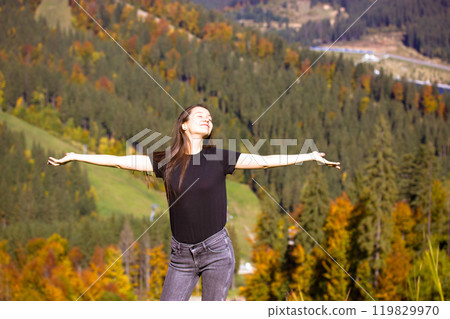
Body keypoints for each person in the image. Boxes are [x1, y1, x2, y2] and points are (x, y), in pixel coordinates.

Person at [47, 104, 340, 301]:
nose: (207, 118)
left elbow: (263, 162)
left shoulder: (219, 156)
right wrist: (76, 156)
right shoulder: (166, 161)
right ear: (184, 125)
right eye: (200, 115)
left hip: (217, 253)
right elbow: (121, 162)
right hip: (180, 257)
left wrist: (308, 155)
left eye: (210, 117)